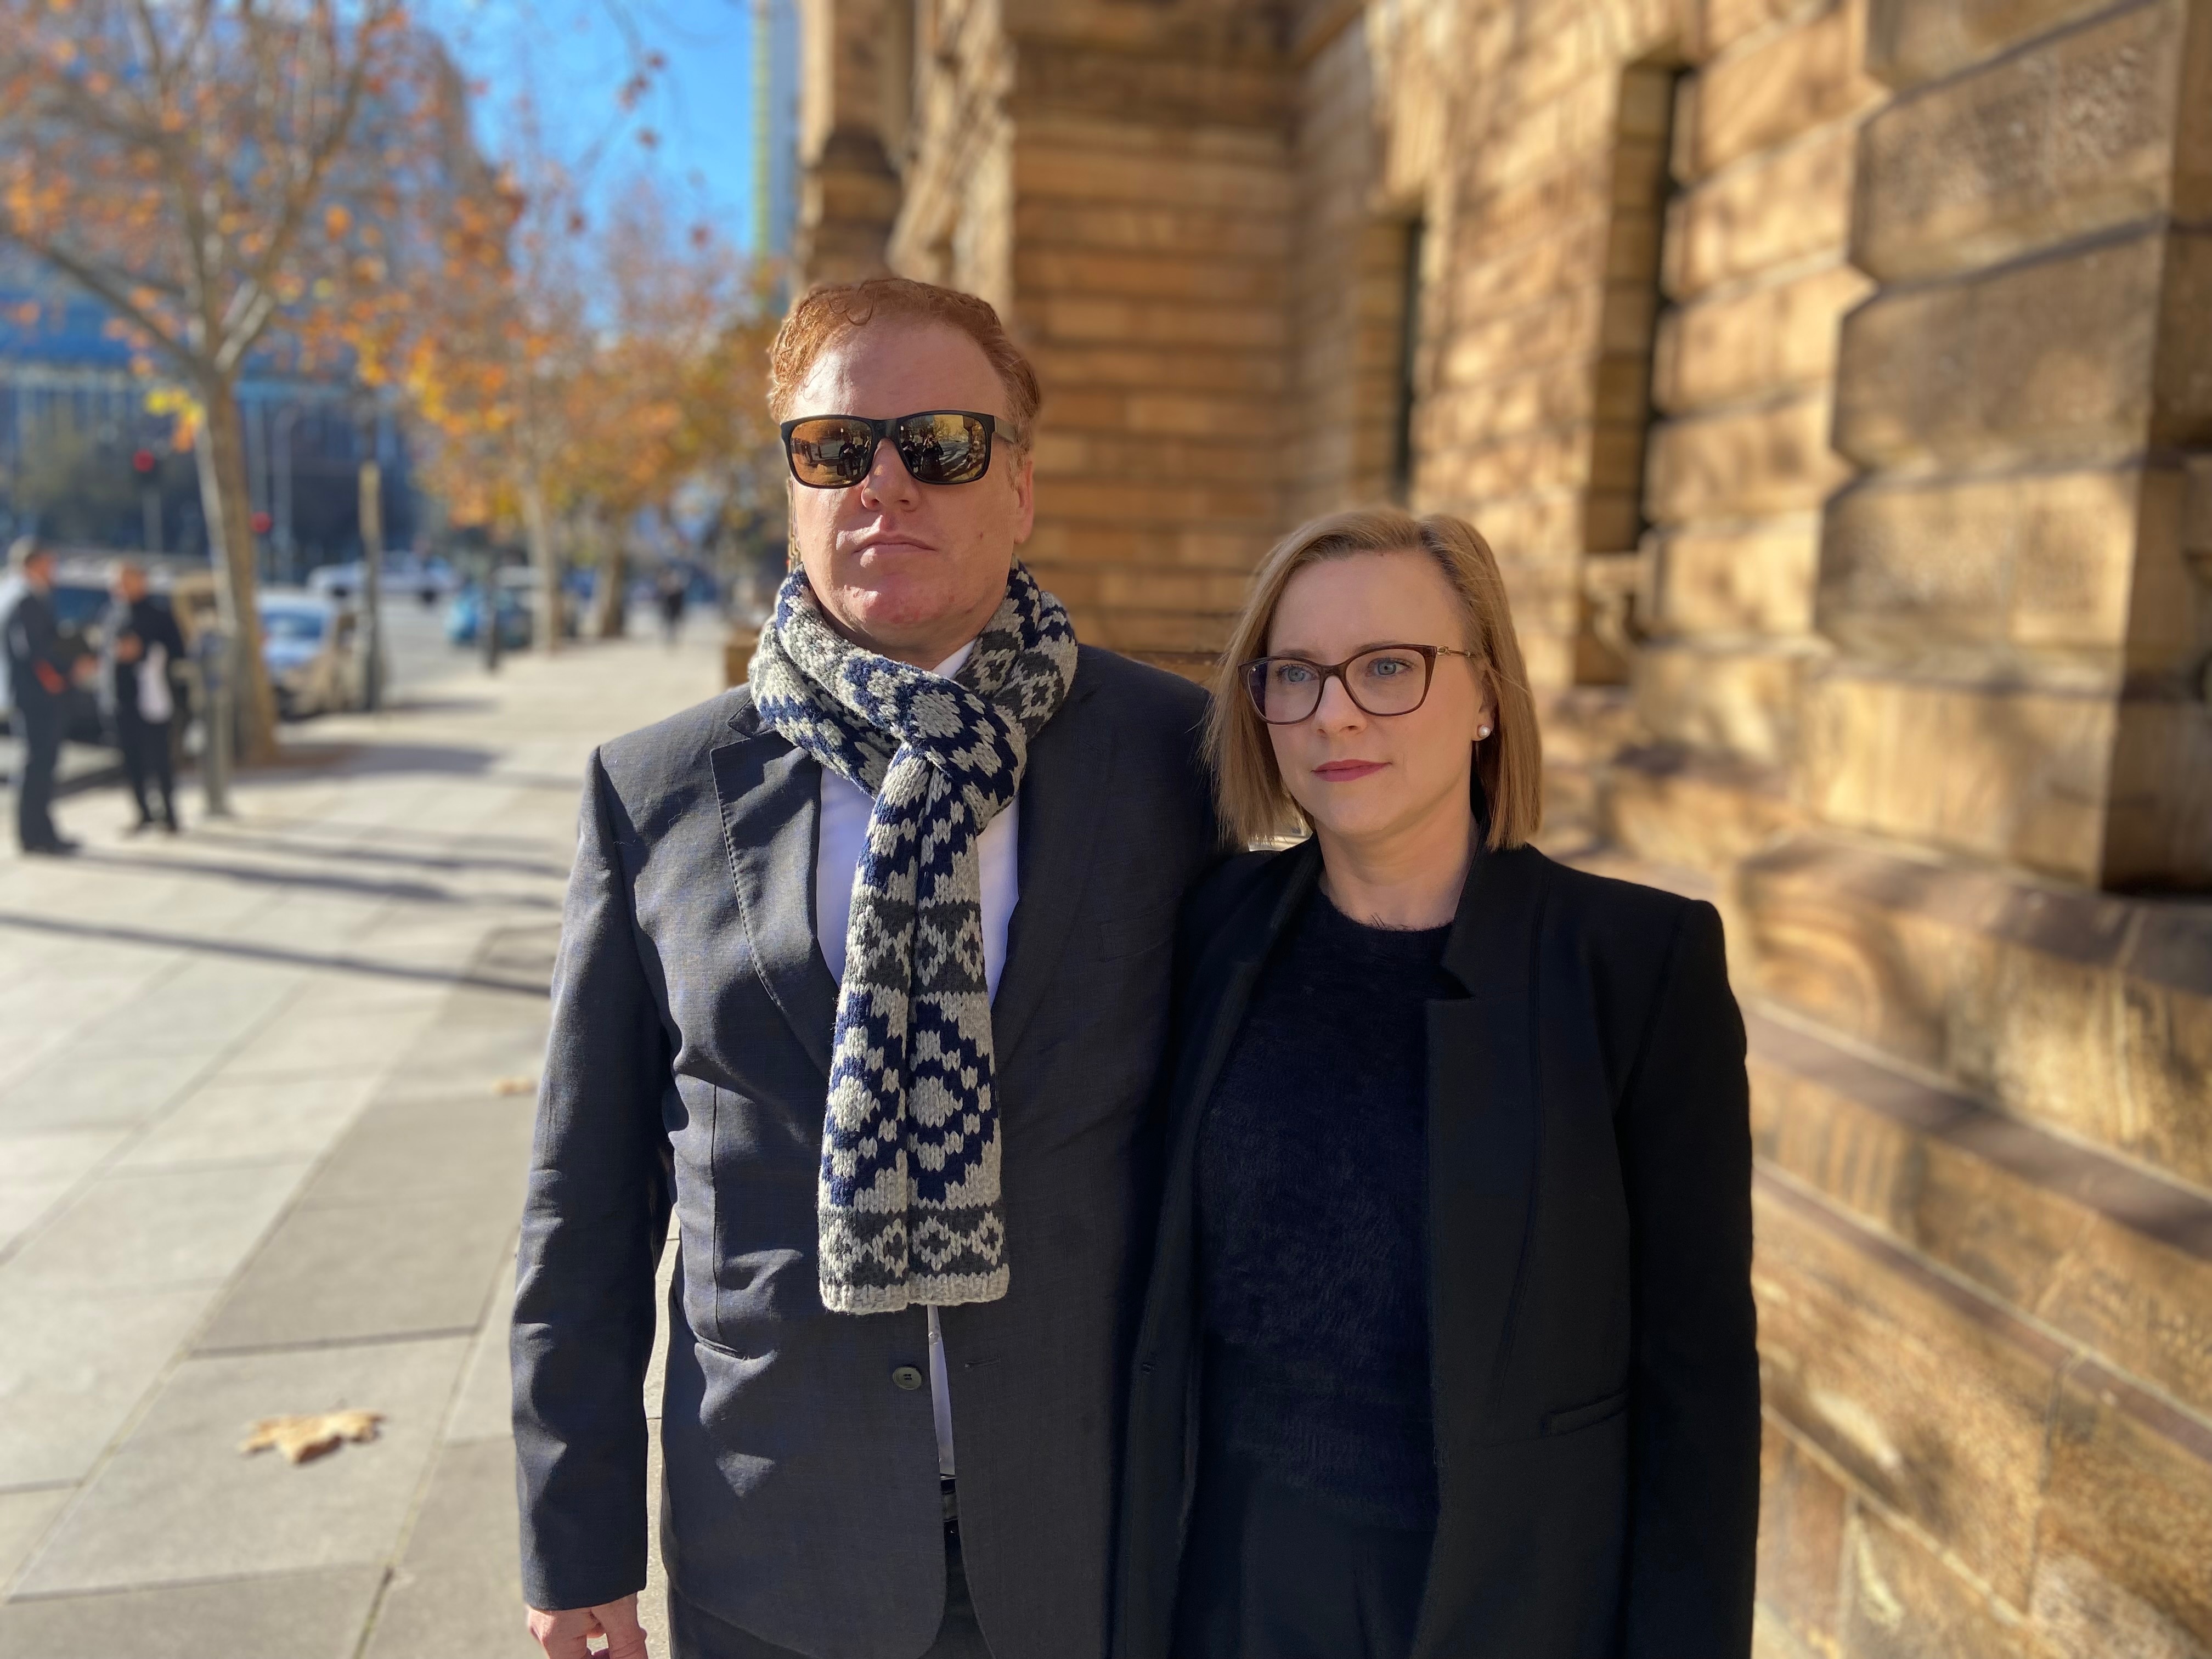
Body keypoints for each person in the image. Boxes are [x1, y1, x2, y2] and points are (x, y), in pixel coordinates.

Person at [513, 275, 1220, 1659]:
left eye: (940, 444)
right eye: (836, 450)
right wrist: (573, 1530)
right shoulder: (656, 790)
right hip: (781, 1551)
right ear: (795, 489)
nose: (882, 482)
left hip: (1101, 1535)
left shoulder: (1173, 759)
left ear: (1017, 487)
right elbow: (587, 1197)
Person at [1116, 509, 1759, 1658]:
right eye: (1295, 675)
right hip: (1233, 1591)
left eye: (1390, 669)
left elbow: (1697, 1392)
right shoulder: (1218, 930)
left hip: (1503, 1602)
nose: (1337, 713)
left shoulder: (1634, 967)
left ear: (1484, 695)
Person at [3, 536, 92, 855]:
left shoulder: (34, 596)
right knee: (36, 763)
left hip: (40, 695)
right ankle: (35, 836)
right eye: (48, 563)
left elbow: (50, 640)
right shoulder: (23, 597)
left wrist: (77, 660)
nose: (53, 569)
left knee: (44, 763)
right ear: (31, 564)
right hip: (36, 697)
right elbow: (32, 650)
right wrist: (56, 676)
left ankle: (43, 832)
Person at [102, 559, 185, 835]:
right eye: (117, 582)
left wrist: (145, 650)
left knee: (161, 759)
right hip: (121, 700)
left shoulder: (159, 615)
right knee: (131, 760)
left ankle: (170, 814)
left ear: (142, 582)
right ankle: (143, 812)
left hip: (153, 700)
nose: (120, 587)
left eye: (127, 581)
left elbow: (178, 652)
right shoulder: (111, 614)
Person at [657, 562, 690, 646]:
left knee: (673, 620)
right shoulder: (664, 580)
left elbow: (678, 591)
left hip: (674, 602)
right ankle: (669, 636)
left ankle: (673, 636)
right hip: (668, 602)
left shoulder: (675, 579)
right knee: (668, 620)